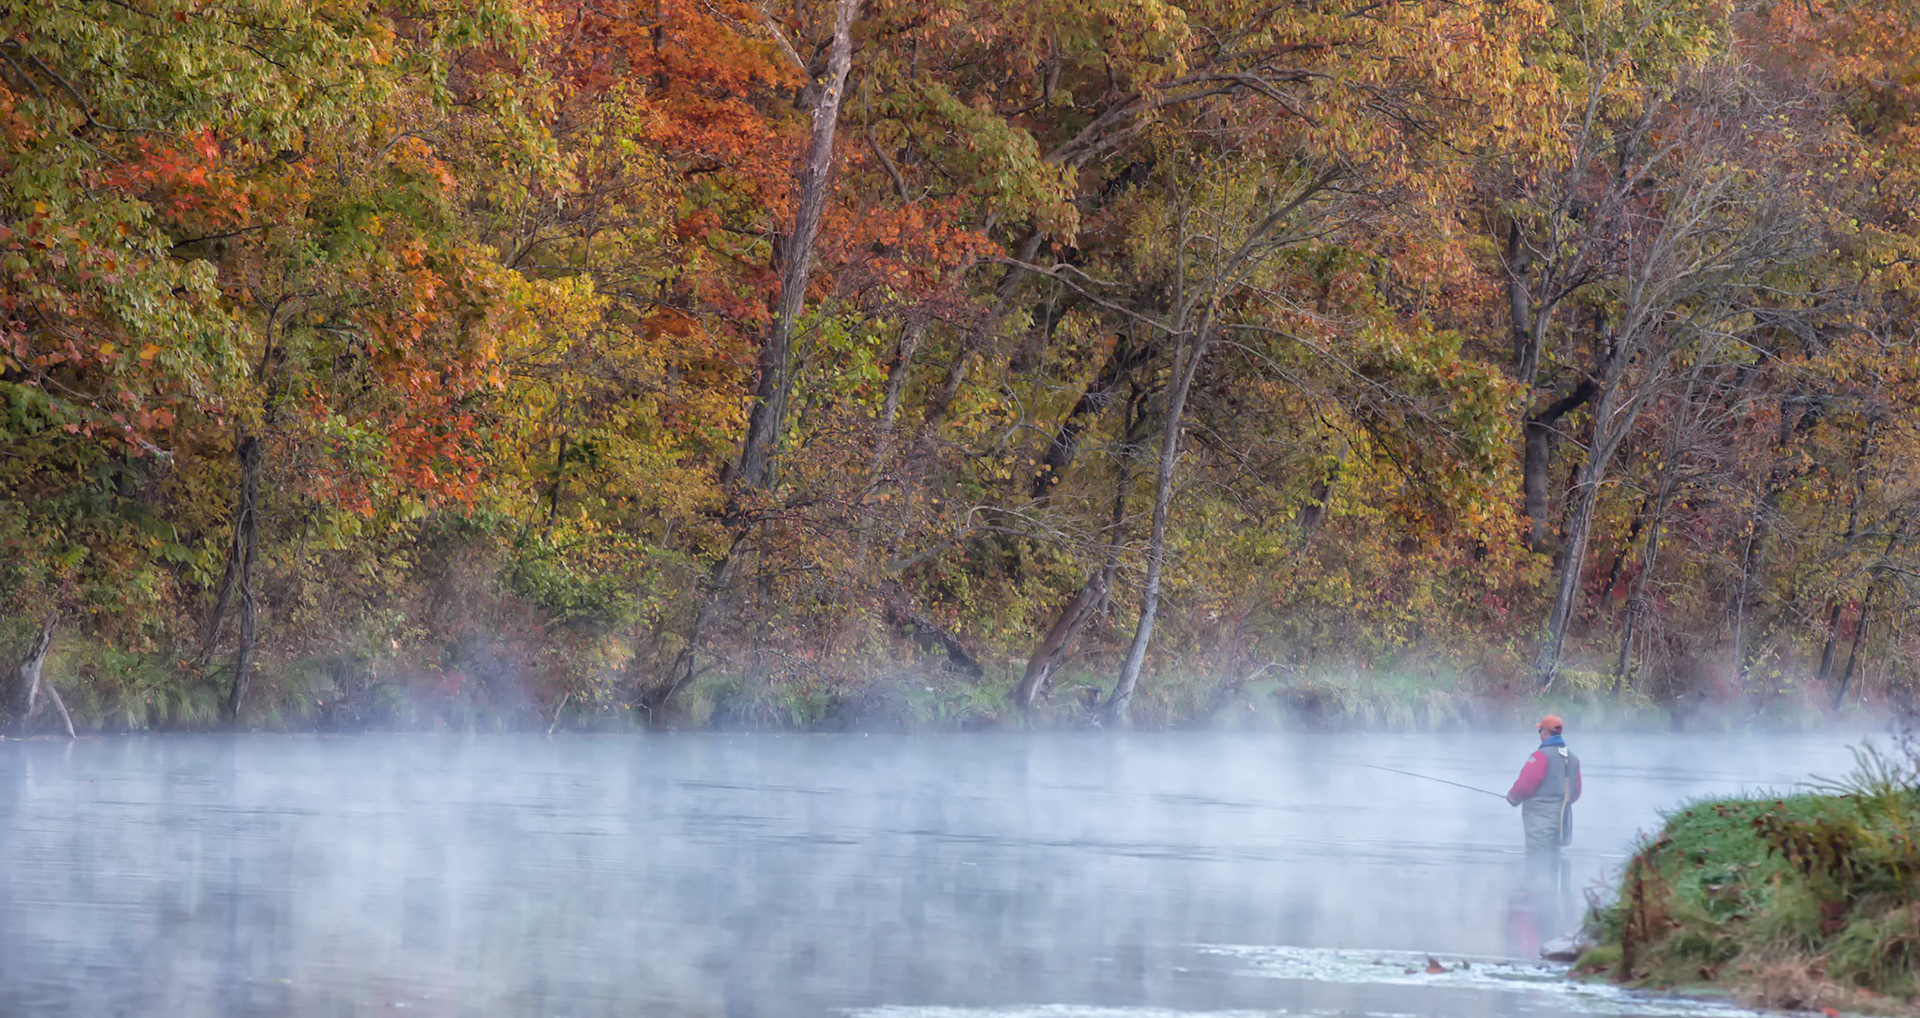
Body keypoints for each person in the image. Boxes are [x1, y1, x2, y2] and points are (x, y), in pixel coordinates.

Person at [1506, 714, 1581, 855]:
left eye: (1540, 731)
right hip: (1562, 821)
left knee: (1537, 858)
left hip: (1539, 821)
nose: (1540, 734)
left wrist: (1512, 798)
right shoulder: (1573, 759)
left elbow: (1525, 785)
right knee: (1554, 858)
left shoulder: (1540, 757)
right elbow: (1576, 792)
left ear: (1545, 732)